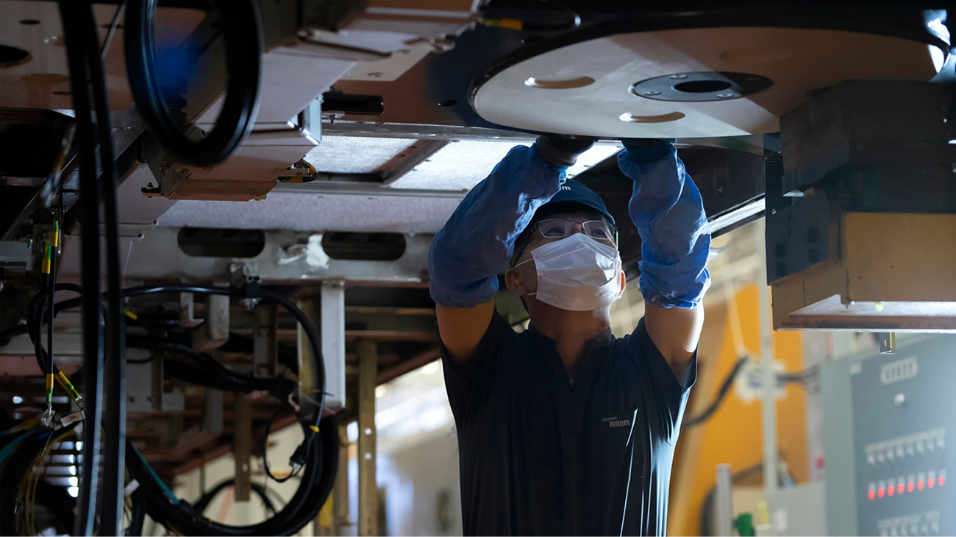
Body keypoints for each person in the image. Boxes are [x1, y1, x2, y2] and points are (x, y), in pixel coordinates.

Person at [428, 135, 711, 536]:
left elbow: (680, 275)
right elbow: (456, 269)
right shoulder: (488, 368)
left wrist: (654, 158)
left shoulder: (652, 371)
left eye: (598, 233)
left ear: (619, 278)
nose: (580, 239)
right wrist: (547, 161)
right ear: (516, 278)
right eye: (555, 231)